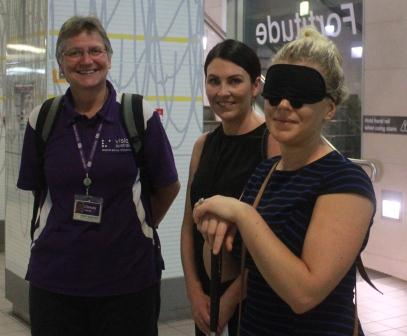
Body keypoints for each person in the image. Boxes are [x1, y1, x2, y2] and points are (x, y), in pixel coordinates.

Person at [193, 26, 376, 336]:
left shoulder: (346, 182)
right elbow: (231, 270)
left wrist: (242, 214)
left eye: (301, 96)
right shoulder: (264, 174)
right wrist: (214, 234)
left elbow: (304, 294)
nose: (283, 106)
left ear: (329, 108)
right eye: (276, 93)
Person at [17, 16, 180, 336]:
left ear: (109, 57)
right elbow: (37, 189)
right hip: (56, 279)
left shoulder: (137, 114)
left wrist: (137, 226)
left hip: (128, 278)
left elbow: (168, 186)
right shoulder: (44, 118)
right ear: (60, 65)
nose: (87, 60)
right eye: (74, 53)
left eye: (96, 50)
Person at [180, 39, 280, 336]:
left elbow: (280, 238)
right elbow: (188, 227)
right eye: (214, 81)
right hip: (207, 297)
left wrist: (229, 300)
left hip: (255, 298)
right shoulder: (204, 145)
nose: (222, 92)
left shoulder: (271, 143)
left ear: (255, 86)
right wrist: (194, 291)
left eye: (234, 81)